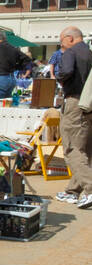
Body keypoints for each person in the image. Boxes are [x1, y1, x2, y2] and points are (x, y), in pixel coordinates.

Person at [53, 27, 92, 208]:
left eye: (61, 40)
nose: (61, 44)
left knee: (72, 149)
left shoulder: (70, 53)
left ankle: (90, 188)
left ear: (69, 39)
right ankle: (73, 191)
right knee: (85, 149)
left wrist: (60, 78)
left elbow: (66, 71)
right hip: (89, 104)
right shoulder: (89, 52)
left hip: (75, 102)